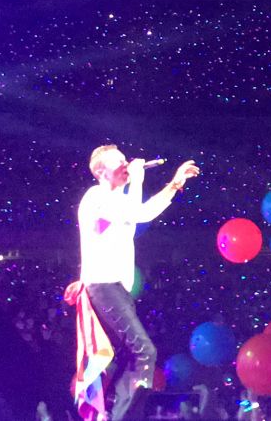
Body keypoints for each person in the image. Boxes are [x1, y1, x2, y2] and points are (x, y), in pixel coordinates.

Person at [76, 145, 201, 420]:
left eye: (125, 159)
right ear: (101, 171)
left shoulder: (117, 202)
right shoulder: (96, 197)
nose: (125, 164)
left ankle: (109, 412)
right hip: (103, 285)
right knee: (144, 351)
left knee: (124, 358)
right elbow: (137, 213)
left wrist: (175, 183)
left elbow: (144, 212)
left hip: (117, 290)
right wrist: (137, 180)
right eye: (118, 162)